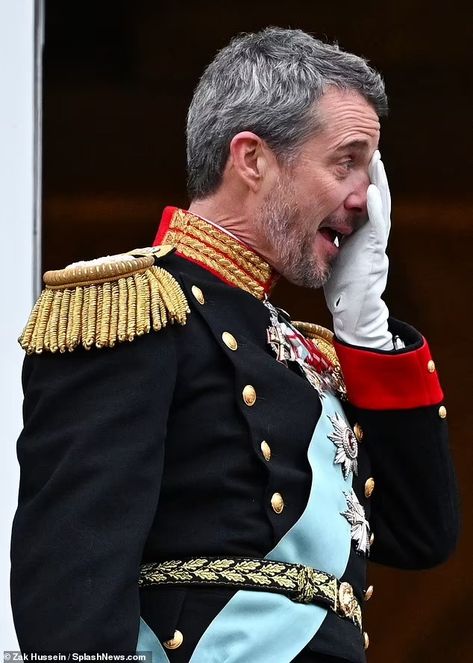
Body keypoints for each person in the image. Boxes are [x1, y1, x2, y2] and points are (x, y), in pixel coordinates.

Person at [11, 27, 458, 663]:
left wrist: (367, 331)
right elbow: (69, 580)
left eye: (371, 169)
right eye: (346, 162)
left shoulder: (307, 352)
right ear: (251, 159)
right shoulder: (137, 307)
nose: (366, 201)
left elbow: (420, 534)